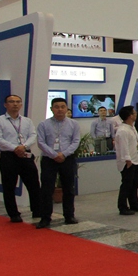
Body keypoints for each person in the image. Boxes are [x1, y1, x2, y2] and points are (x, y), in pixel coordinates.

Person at [0, 94, 41, 223]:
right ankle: (14, 214)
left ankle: (37, 210)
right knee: (9, 187)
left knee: (34, 184)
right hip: (8, 156)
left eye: (18, 102)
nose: (15, 104)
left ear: (21, 104)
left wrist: (23, 147)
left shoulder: (27, 121)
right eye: (12, 101)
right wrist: (15, 148)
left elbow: (33, 135)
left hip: (25, 155)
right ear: (5, 104)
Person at [35, 97, 81, 228]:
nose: (60, 109)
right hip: (49, 159)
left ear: (66, 108)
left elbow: (76, 141)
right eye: (56, 107)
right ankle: (45, 218)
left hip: (67, 159)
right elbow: (41, 142)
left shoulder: (73, 124)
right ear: (51, 109)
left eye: (62, 107)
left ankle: (69, 216)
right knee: (47, 189)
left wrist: (64, 154)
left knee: (69, 188)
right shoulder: (43, 124)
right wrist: (54, 154)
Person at [114, 106, 138, 215]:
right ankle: (123, 206)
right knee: (127, 185)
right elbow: (123, 147)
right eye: (134, 113)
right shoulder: (123, 130)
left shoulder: (131, 127)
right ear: (129, 116)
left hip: (135, 159)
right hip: (128, 162)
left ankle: (134, 203)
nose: (136, 114)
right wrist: (127, 160)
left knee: (135, 183)